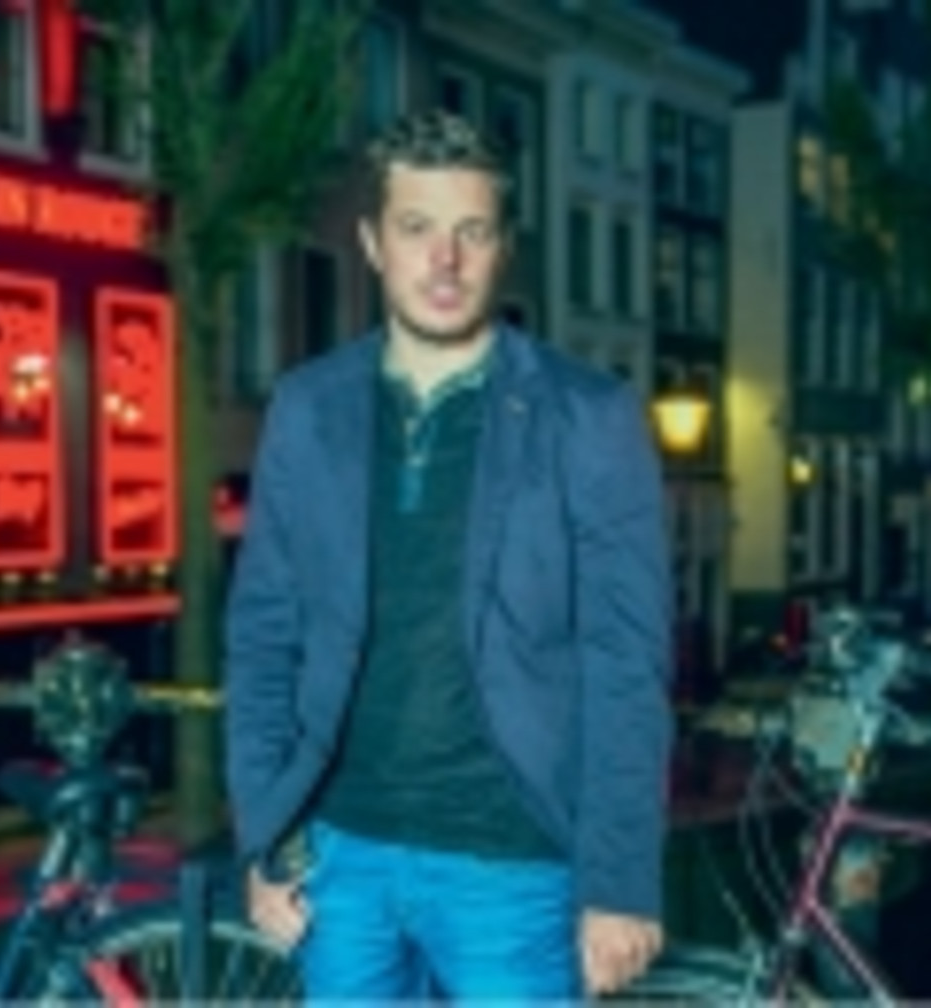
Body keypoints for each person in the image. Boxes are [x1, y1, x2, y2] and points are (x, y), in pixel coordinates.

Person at [223, 109, 673, 1002]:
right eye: (418, 228)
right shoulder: (309, 408)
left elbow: (627, 660)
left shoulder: (589, 415)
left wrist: (620, 882)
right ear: (372, 242)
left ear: (505, 248)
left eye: (472, 231)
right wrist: (263, 834)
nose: (445, 260)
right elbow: (265, 632)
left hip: (512, 867)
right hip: (339, 861)